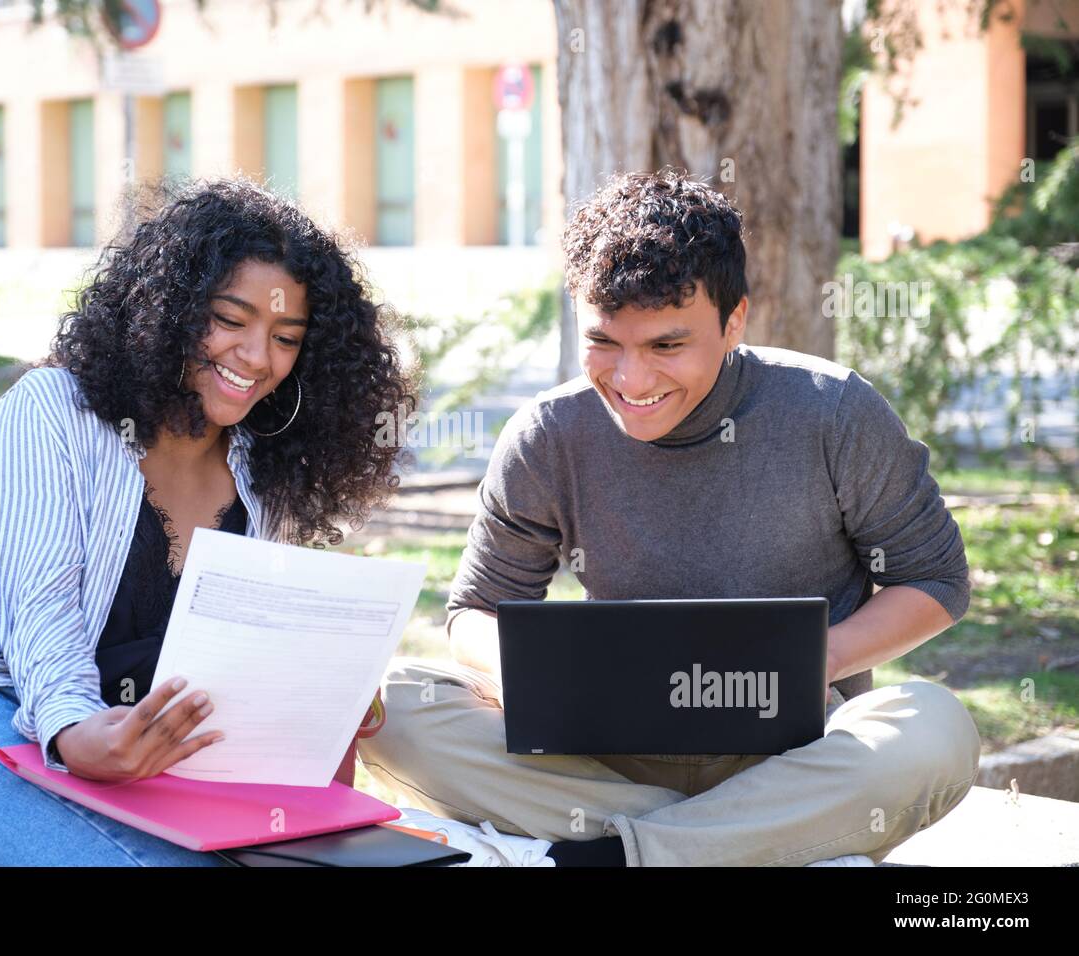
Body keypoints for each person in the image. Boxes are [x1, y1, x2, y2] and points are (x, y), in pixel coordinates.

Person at [358, 168, 981, 867]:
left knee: (936, 730)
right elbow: (475, 611)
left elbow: (936, 583)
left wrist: (812, 663)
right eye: (605, 342)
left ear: (734, 320)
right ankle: (739, 845)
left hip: (793, 755)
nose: (630, 381)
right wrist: (535, 681)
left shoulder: (833, 412)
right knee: (386, 705)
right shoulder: (548, 435)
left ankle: (611, 856)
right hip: (603, 762)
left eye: (666, 346)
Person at [0, 177, 415, 867]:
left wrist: (321, 701)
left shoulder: (263, 471)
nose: (255, 356)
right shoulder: (50, 413)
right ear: (173, 308)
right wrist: (73, 734)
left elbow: (235, 669)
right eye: (230, 318)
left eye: (284, 337)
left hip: (146, 757)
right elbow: (40, 622)